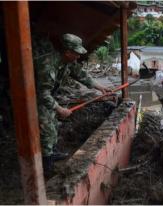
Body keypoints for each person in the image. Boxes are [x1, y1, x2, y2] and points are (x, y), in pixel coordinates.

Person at [33, 33, 111, 175]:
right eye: (76, 53)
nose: (79, 56)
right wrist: (59, 108)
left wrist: (100, 87)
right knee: (47, 130)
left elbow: (81, 75)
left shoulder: (67, 62)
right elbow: (42, 94)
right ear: (67, 52)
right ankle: (47, 167)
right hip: (36, 98)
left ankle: (51, 152)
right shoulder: (48, 66)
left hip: (48, 96)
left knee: (54, 126)